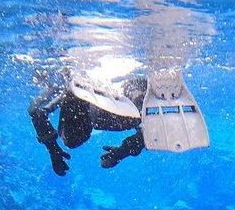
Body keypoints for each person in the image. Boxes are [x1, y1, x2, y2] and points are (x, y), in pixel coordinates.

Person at [29, 69, 210, 175]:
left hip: (118, 106)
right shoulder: (68, 94)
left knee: (73, 139)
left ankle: (148, 92)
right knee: (141, 121)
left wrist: (53, 149)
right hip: (128, 100)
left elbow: (36, 111)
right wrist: (122, 152)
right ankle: (150, 90)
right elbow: (36, 111)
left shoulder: (63, 89)